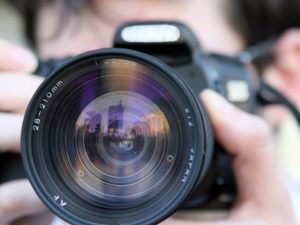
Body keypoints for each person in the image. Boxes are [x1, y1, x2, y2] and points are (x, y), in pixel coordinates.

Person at [0, 0, 299, 224]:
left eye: (161, 73)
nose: (113, 136)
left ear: (288, 75)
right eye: (78, 78)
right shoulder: (33, 204)